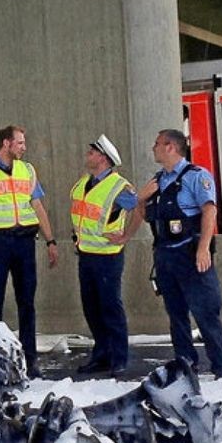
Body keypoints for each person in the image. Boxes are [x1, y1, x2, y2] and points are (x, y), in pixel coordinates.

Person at [125, 129, 222, 378]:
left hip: (190, 253)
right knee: (176, 314)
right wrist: (140, 201)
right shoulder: (157, 180)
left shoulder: (196, 177)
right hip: (165, 255)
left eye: (157, 144)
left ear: (171, 147)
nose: (154, 148)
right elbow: (143, 214)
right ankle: (186, 363)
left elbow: (209, 212)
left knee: (206, 311)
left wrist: (203, 248)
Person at [0, 124, 59, 378]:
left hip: (25, 242)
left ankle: (30, 359)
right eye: (20, 143)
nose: (24, 148)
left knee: (27, 301)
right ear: (6, 143)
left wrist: (50, 241)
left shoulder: (27, 170)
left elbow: (37, 206)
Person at [70, 134, 138, 376]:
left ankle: (118, 358)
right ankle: (101, 356)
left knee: (110, 307)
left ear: (103, 158)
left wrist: (126, 235)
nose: (87, 155)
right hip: (86, 254)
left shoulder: (119, 187)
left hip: (108, 256)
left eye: (92, 152)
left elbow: (139, 208)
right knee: (92, 307)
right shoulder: (83, 183)